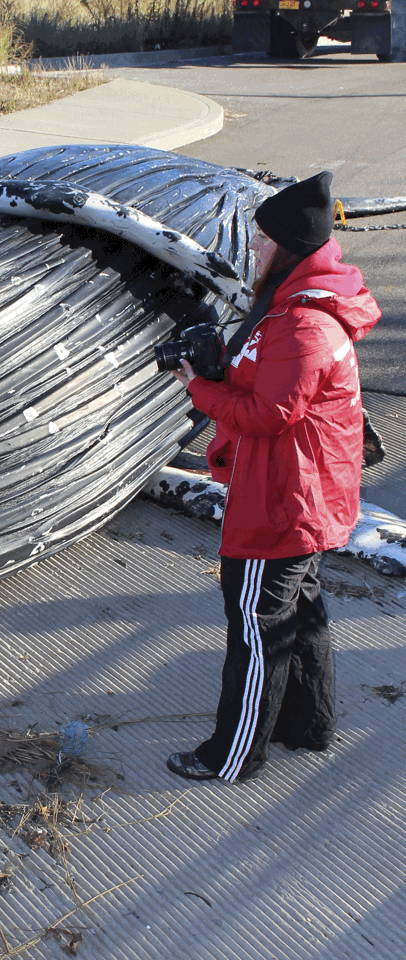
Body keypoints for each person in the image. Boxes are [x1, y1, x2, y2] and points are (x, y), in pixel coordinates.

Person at [167, 172, 380, 783]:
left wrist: (199, 388)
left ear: (289, 246)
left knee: (257, 624)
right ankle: (307, 725)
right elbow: (272, 385)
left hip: (283, 500)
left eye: (262, 239)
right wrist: (219, 367)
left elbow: (270, 414)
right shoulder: (298, 303)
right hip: (303, 493)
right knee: (299, 609)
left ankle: (232, 754)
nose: (254, 247)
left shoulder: (304, 323)